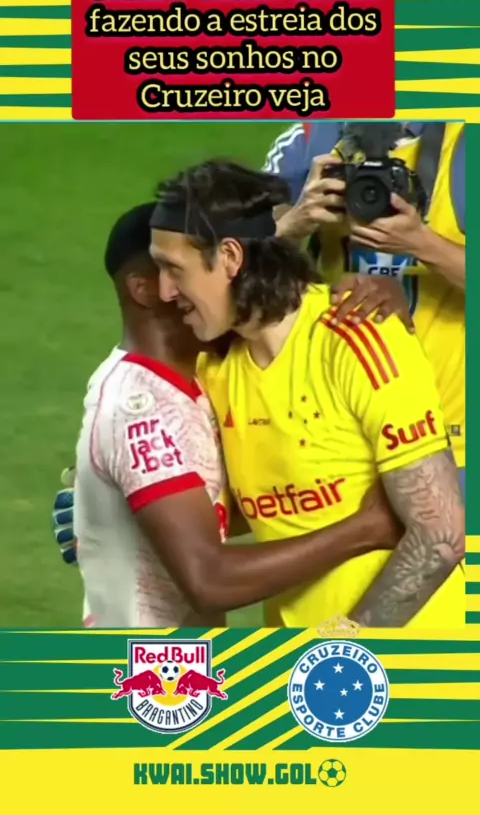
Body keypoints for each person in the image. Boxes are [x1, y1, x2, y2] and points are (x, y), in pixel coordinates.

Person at [149, 159, 465, 629]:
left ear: (231, 258)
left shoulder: (358, 338)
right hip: (297, 651)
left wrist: (343, 644)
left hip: (405, 655)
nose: (164, 291)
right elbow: (247, 506)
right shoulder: (213, 368)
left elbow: (439, 536)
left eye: (174, 269)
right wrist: (126, 498)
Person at [67, 202, 404, 628]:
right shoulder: (142, 410)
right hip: (143, 662)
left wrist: (381, 295)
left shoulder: (199, 375)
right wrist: (367, 527)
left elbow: (231, 502)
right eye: (187, 268)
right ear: (147, 289)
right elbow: (211, 580)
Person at [262, 122, 466, 494]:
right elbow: (233, 272)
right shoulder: (309, 141)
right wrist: (294, 223)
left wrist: (421, 243)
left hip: (448, 439)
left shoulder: (464, 142)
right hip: (331, 435)